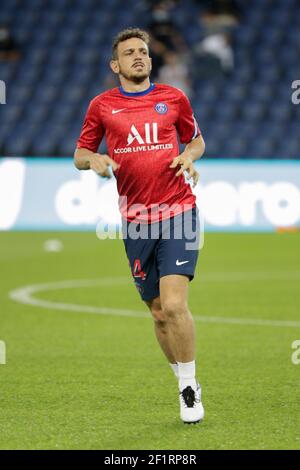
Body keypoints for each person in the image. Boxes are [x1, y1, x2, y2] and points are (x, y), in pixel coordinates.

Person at [74, 27, 205, 424]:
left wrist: (188, 155)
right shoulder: (101, 106)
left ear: (150, 59)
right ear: (116, 65)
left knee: (175, 304)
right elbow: (80, 152)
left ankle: (188, 386)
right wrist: (93, 161)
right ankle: (181, 376)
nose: (138, 56)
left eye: (143, 51)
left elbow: (197, 140)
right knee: (158, 313)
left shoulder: (173, 98)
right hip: (135, 221)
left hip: (179, 211)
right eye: (129, 52)